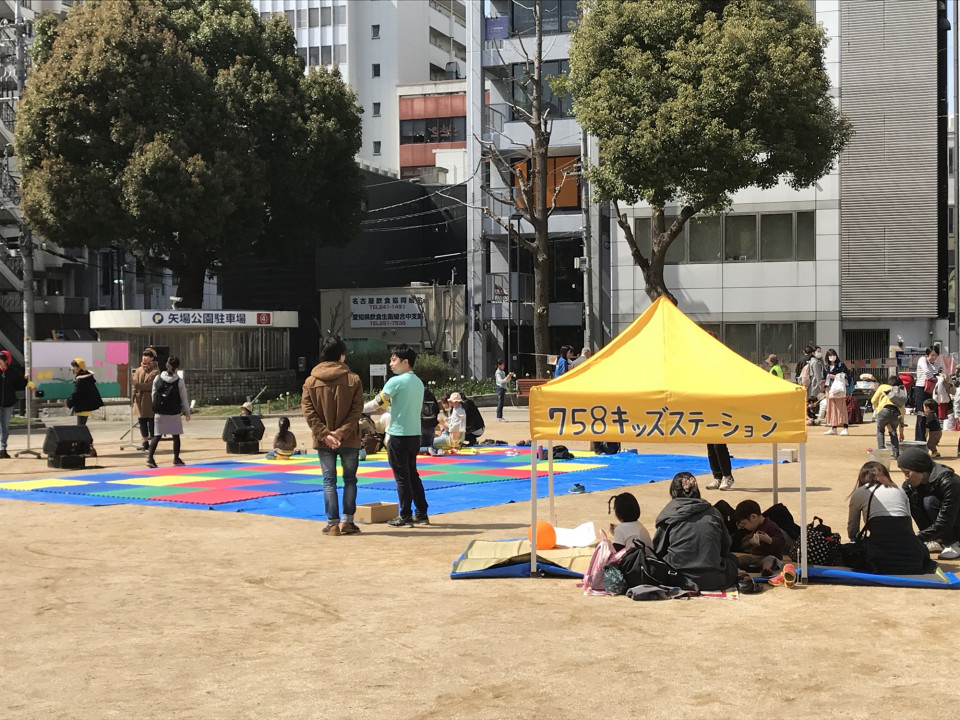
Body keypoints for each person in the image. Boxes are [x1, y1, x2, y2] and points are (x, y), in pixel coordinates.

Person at [302, 335, 364, 536]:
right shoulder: (353, 380)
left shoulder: (310, 382)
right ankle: (348, 521)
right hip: (350, 438)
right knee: (350, 480)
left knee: (329, 481)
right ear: (341, 355)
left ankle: (332, 523)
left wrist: (325, 434)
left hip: (323, 441)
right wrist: (341, 432)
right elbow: (357, 411)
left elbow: (308, 412)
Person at [362, 344, 428, 528]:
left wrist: (357, 408)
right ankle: (421, 512)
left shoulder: (395, 381)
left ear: (404, 361)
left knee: (401, 478)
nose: (390, 364)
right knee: (412, 475)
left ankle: (405, 515)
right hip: (415, 435)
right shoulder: (418, 382)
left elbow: (376, 403)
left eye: (393, 360)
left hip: (398, 435)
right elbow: (402, 408)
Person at [652, 471, 739, 591]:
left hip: (677, 578)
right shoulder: (713, 512)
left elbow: (658, 550)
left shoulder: (669, 514)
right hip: (714, 579)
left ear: (673, 492)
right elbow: (725, 546)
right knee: (732, 559)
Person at [847, 461, 933, 574]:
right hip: (910, 552)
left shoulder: (860, 492)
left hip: (879, 556)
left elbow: (853, 529)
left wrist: (856, 539)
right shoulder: (900, 490)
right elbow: (907, 524)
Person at [898, 447, 960, 560]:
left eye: (907, 473)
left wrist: (916, 538)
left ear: (920, 469)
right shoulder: (911, 485)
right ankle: (936, 540)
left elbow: (946, 519)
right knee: (911, 497)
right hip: (943, 525)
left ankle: (952, 542)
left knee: (929, 501)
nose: (906, 477)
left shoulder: (949, 483)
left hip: (955, 521)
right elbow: (899, 506)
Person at [147, 356, 190, 468]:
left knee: (157, 436)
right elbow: (184, 397)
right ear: (177, 368)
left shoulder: (158, 378)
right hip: (174, 412)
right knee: (176, 436)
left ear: (166, 366)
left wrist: (156, 407)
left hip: (160, 412)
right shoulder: (179, 381)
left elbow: (153, 394)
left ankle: (150, 458)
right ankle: (176, 458)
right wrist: (187, 411)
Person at [733, 500, 787, 571]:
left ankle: (767, 570)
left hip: (771, 556)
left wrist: (770, 540)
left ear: (753, 517)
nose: (745, 527)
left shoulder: (771, 526)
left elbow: (781, 541)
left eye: (745, 524)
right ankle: (733, 564)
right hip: (757, 557)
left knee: (770, 560)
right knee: (743, 558)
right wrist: (751, 542)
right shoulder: (755, 528)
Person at [67, 357, 103, 458]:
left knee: (81, 429)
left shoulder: (82, 380)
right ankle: (87, 449)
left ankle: (89, 448)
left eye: (74, 367)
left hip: (83, 407)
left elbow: (77, 394)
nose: (72, 369)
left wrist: (68, 402)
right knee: (81, 428)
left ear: (79, 368)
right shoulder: (86, 378)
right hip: (85, 407)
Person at [131, 348, 160, 451]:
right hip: (139, 400)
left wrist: (137, 385)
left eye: (147, 356)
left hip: (149, 399)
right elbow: (134, 384)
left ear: (152, 358)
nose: (144, 357)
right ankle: (145, 441)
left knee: (151, 421)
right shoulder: (139, 369)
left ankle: (153, 441)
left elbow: (150, 386)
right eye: (143, 355)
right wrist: (133, 395)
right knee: (141, 421)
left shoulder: (155, 371)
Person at [871, 376, 906, 459]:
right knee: (893, 431)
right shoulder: (900, 393)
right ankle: (896, 453)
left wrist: (877, 409)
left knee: (880, 430)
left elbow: (873, 400)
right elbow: (902, 415)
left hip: (883, 410)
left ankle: (882, 451)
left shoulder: (883, 387)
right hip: (896, 413)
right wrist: (901, 433)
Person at [914, 347, 943, 442]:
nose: (934, 357)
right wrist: (934, 378)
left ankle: (932, 440)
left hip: (932, 390)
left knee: (931, 414)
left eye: (936, 355)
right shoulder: (922, 360)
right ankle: (920, 439)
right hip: (921, 389)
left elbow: (941, 373)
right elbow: (927, 371)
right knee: (921, 414)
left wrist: (937, 376)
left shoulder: (938, 364)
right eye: (932, 355)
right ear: (927, 355)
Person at [0, 349, 25, 459]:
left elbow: (19, 385)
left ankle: (2, 449)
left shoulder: (13, 372)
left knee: (4, 427)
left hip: (8, 404)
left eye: (1, 359)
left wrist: (25, 379)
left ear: (6, 361)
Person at [822, 349, 850, 435]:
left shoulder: (841, 365)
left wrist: (834, 376)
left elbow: (846, 376)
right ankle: (833, 427)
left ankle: (845, 427)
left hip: (838, 388)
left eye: (833, 355)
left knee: (841, 407)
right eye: (830, 356)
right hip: (829, 389)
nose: (832, 357)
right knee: (831, 408)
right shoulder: (826, 366)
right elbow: (824, 376)